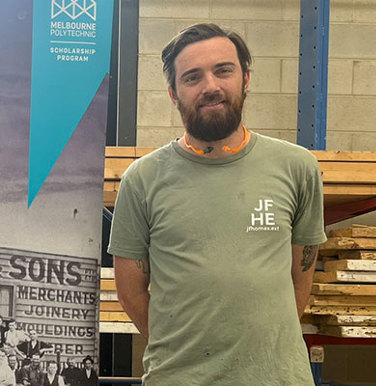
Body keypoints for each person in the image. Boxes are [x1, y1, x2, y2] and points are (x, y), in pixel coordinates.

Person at [108, 23, 327, 386]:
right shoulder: (142, 180)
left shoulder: (297, 167)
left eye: (223, 70)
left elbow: (299, 279)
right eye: (192, 77)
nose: (210, 86)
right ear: (173, 94)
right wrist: (181, 350)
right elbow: (131, 291)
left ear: (245, 79)